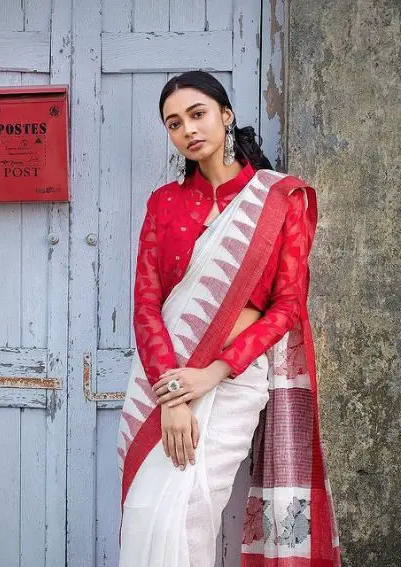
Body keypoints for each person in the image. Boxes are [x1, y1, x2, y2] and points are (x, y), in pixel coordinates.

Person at [117, 70, 341, 567]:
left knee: (192, 513)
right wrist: (174, 393)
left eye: (197, 114)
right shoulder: (164, 203)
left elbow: (286, 306)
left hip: (233, 379)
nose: (188, 129)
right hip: (162, 381)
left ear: (226, 115)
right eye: (174, 123)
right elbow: (146, 305)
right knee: (146, 511)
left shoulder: (281, 200)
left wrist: (210, 374)